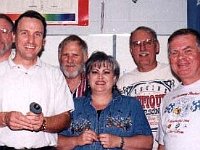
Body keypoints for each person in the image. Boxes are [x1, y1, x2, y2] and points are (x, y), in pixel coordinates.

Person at [0, 10, 74, 149]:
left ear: (44, 42)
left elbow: (65, 119)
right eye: (24, 33)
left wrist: (43, 123)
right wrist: (4, 118)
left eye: (37, 35)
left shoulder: (55, 75)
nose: (31, 40)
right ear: (14, 37)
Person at [57, 51, 153, 150]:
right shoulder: (73, 106)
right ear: (88, 77)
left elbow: (147, 143)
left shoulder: (131, 105)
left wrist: (119, 141)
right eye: (95, 72)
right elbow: (55, 142)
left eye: (106, 72)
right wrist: (76, 140)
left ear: (115, 78)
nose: (100, 77)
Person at [117, 26, 180, 150]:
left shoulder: (176, 73)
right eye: (137, 44)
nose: (143, 48)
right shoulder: (122, 83)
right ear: (131, 50)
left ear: (157, 47)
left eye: (148, 42)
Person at [156, 28, 200, 150]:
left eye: (188, 51)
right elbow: (163, 144)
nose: (181, 57)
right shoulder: (168, 98)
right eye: (174, 53)